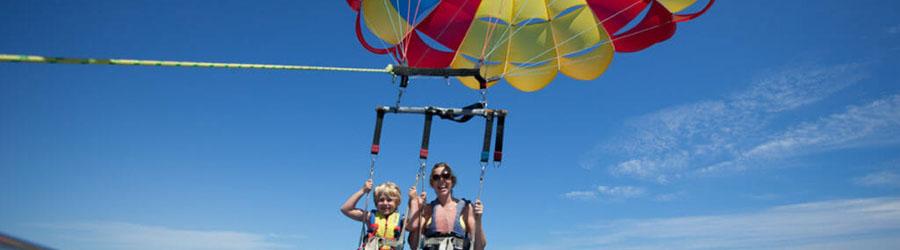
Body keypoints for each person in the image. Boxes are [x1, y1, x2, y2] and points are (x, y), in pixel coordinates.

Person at [407, 162, 486, 250]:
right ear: (432, 183)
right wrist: (416, 207)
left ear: (452, 181)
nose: (441, 180)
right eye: (436, 177)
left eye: (446, 176)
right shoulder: (427, 210)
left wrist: (478, 219)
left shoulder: (466, 209)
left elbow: (479, 247)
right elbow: (413, 245)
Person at [341, 179, 405, 250]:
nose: (385, 203)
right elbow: (346, 209)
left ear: (397, 202)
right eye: (381, 200)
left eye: (389, 200)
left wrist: (413, 200)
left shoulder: (402, 220)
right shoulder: (370, 216)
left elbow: (413, 225)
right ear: (376, 203)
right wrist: (363, 190)